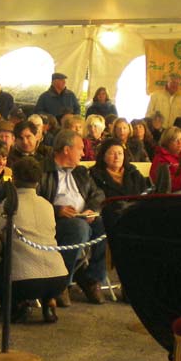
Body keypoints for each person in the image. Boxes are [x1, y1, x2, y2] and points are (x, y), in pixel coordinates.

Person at [0, 157, 69, 323]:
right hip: (59, 278)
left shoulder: (9, 205)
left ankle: (16, 306)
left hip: (25, 281)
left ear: (14, 179)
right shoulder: (47, 205)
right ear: (38, 181)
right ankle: (49, 301)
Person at [38, 129, 106, 305]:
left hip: (83, 216)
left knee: (105, 224)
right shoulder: (42, 171)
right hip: (55, 221)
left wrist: (91, 209)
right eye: (80, 148)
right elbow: (34, 201)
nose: (83, 153)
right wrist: (57, 210)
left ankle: (92, 278)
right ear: (67, 150)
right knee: (79, 228)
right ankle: (61, 282)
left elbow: (98, 194)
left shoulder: (81, 172)